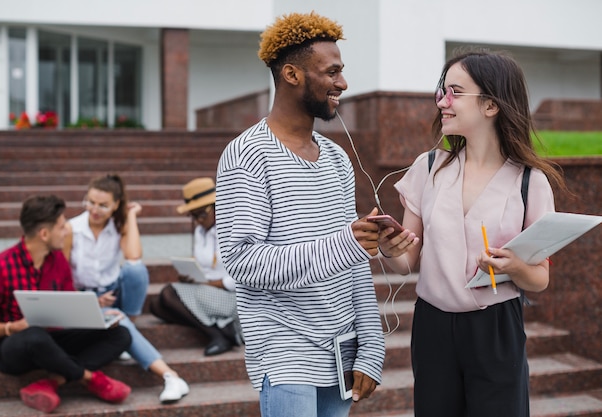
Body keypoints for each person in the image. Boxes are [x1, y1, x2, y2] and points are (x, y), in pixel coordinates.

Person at [377, 48, 569, 417]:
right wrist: (389, 247)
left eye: (455, 92)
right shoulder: (429, 167)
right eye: (442, 91)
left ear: (491, 105)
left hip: (496, 328)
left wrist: (513, 266)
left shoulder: (531, 182)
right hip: (433, 325)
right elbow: (406, 262)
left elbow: (540, 279)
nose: (442, 102)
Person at [214, 12, 385, 417]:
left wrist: (372, 344)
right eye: (332, 72)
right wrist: (344, 243)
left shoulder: (338, 159)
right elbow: (242, 260)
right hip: (284, 348)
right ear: (292, 74)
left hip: (341, 346)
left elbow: (353, 260)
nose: (342, 83)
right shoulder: (247, 156)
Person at [0, 195, 132, 413]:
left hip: (54, 338)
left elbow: (68, 301)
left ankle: (52, 382)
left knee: (121, 335)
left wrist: (99, 316)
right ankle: (89, 378)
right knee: (35, 335)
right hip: (13, 347)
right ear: (44, 234)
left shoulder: (57, 260)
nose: (67, 231)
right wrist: (10, 328)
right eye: (61, 227)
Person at [63, 173, 189, 403]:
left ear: (116, 205)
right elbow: (61, 276)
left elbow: (133, 255)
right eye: (91, 202)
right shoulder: (72, 229)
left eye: (103, 205)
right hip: (86, 298)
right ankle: (170, 375)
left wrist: (130, 216)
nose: (95, 209)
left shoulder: (117, 225)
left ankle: (127, 326)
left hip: (114, 293)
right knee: (118, 317)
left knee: (135, 269)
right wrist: (90, 302)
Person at [149, 177, 243, 356]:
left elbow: (242, 277)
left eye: (201, 213)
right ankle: (223, 328)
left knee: (169, 294)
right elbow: (203, 267)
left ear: (217, 207)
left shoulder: (234, 230)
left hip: (232, 296)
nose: (198, 220)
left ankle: (216, 334)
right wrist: (192, 276)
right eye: (192, 215)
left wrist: (208, 284)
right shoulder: (201, 231)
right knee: (157, 306)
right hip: (206, 291)